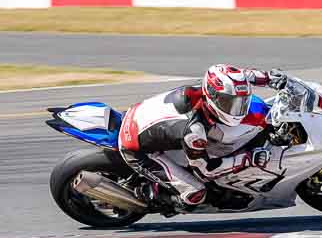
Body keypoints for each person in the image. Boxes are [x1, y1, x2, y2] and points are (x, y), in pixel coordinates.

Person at [118, 64, 287, 210]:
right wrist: (247, 159)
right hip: (135, 148)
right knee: (196, 192)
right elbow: (207, 170)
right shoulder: (195, 131)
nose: (237, 109)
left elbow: (241, 76)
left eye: (241, 102)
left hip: (142, 116)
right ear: (212, 97)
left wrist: (269, 78)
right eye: (229, 103)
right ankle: (155, 197)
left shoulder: (210, 86)